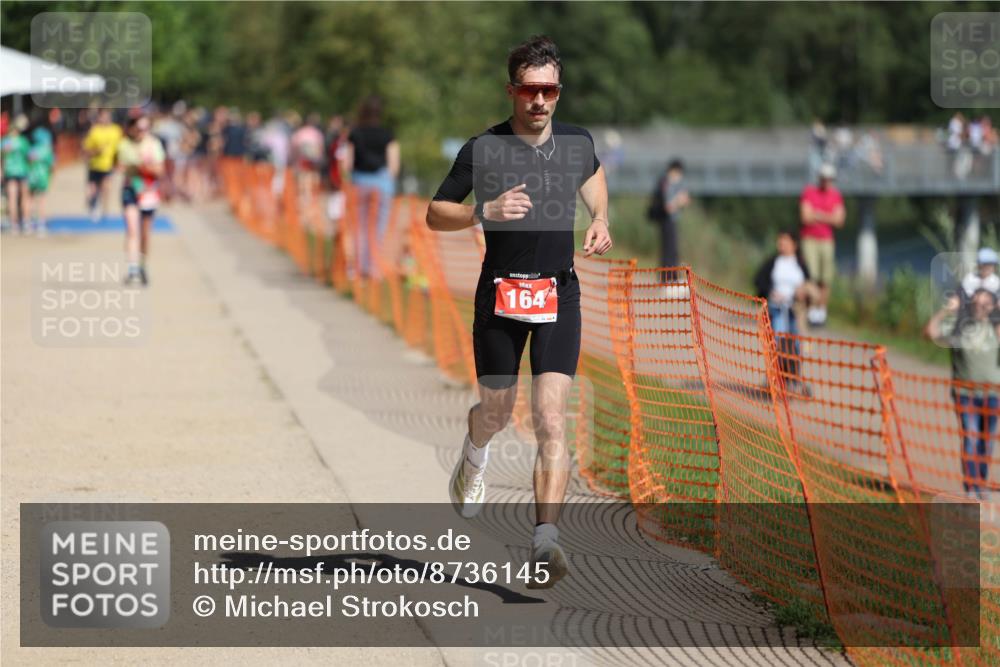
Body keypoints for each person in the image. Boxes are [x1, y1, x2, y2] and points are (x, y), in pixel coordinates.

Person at [426, 35, 612, 588]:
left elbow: (595, 180)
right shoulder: (484, 149)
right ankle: (474, 455)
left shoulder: (577, 142)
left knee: (552, 416)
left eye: (549, 89)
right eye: (529, 89)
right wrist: (484, 210)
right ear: (511, 90)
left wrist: (600, 218)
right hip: (502, 295)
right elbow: (436, 213)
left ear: (559, 92)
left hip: (560, 293)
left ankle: (544, 542)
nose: (539, 100)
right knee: (497, 411)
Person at [925, 289, 1000, 499]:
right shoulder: (959, 326)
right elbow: (929, 333)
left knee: (987, 441)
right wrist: (945, 311)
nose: (980, 307)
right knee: (971, 437)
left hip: (993, 396)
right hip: (965, 394)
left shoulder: (995, 327)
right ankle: (971, 488)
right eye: (976, 303)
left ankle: (980, 483)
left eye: (986, 304)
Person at [343, 96, 399, 278]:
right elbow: (393, 165)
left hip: (360, 182)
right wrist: (385, 182)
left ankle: (359, 267)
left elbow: (348, 163)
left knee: (359, 226)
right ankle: (374, 268)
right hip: (382, 184)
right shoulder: (388, 134)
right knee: (378, 228)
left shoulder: (354, 133)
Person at [754, 230, 815, 397]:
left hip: (795, 310)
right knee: (778, 344)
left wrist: (803, 293)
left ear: (794, 244)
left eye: (785, 241)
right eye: (780, 241)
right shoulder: (773, 262)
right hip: (777, 309)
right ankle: (776, 379)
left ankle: (794, 381)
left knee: (795, 345)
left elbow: (810, 284)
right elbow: (759, 280)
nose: (782, 245)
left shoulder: (800, 264)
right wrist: (770, 292)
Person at [117, 116, 165, 286]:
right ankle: (132, 269)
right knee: (132, 230)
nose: (141, 132)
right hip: (130, 190)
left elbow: (160, 170)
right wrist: (131, 167)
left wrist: (145, 167)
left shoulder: (154, 144)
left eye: (145, 128)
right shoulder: (124, 145)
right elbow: (120, 166)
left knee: (145, 234)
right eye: (138, 128)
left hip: (148, 192)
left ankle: (143, 265)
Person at [798, 163, 845, 326]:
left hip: (826, 240)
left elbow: (839, 220)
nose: (827, 181)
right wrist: (828, 216)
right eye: (825, 178)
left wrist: (817, 215)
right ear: (820, 178)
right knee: (811, 275)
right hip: (809, 239)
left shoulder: (836, 195)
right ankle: (810, 309)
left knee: (826, 278)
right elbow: (805, 217)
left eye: (830, 179)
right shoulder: (809, 192)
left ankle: (821, 311)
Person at [650, 159, 689, 282]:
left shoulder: (673, 184)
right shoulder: (666, 184)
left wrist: (683, 200)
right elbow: (669, 207)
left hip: (672, 221)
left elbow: (686, 200)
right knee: (668, 251)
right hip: (666, 221)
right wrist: (679, 200)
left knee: (673, 250)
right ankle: (667, 279)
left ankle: (672, 277)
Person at [82, 109, 123, 223]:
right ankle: (93, 206)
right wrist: (96, 151)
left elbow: (120, 148)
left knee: (106, 188)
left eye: (107, 116)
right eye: (102, 116)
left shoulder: (116, 130)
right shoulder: (94, 131)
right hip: (94, 165)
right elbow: (86, 149)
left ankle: (105, 211)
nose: (104, 118)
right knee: (93, 189)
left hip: (108, 165)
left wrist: (118, 162)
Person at [2, 115, 32, 234]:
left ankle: (14, 224)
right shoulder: (23, 141)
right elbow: (29, 157)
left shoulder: (4, 142)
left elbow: (1, 159)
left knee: (12, 198)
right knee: (25, 197)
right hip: (22, 171)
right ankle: (26, 222)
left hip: (9, 172)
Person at [26, 125, 55, 237]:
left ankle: (28, 224)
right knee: (42, 201)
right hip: (43, 177)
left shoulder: (31, 150)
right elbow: (51, 166)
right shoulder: (47, 151)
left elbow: (28, 162)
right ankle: (41, 225)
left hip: (32, 177)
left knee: (30, 200)